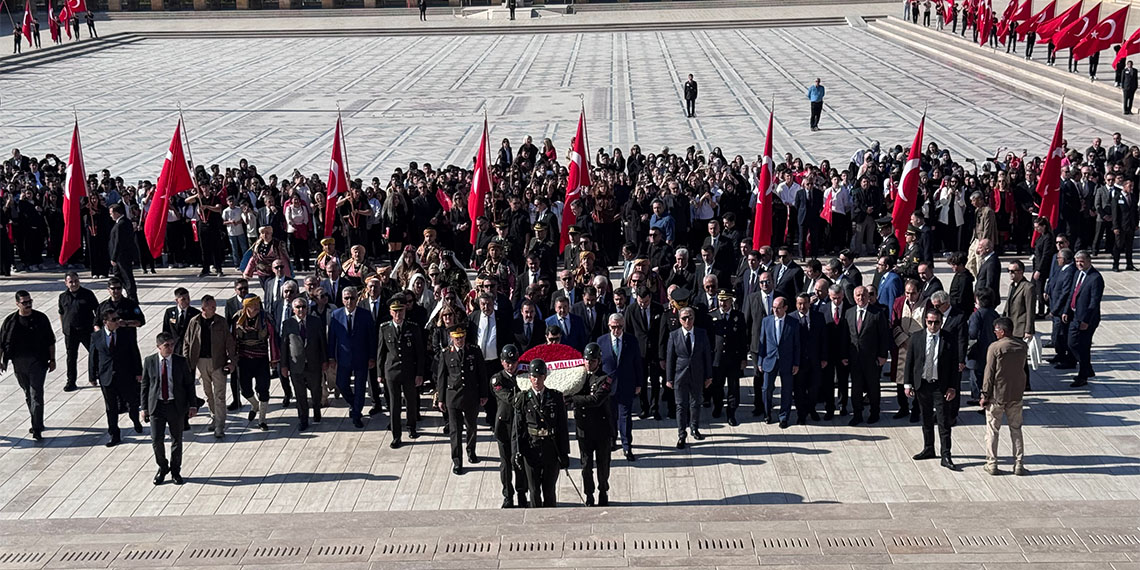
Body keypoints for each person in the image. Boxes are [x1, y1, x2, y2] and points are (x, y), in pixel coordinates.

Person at [905, 308, 961, 471]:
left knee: (943, 421)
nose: (933, 325)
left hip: (940, 386)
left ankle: (946, 454)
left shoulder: (949, 339)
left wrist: (952, 387)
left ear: (941, 322)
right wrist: (908, 384)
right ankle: (929, 448)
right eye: (930, 322)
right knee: (926, 419)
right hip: (922, 385)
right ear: (925, 322)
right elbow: (910, 362)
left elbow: (954, 365)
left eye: (936, 322)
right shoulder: (917, 338)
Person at [511, 358, 569, 508]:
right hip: (531, 448)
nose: (536, 380)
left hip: (550, 447)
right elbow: (518, 429)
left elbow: (562, 427)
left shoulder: (555, 397)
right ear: (529, 377)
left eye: (540, 376)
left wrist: (564, 453)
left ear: (545, 377)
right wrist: (516, 452)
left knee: (549, 490)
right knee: (534, 490)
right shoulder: (523, 399)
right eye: (533, 376)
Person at [0, 291, 57, 441]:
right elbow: (2, 342)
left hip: (37, 362)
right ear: (17, 304)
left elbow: (50, 340)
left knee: (35, 393)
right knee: (28, 393)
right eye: (24, 302)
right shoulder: (11, 321)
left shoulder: (40, 318)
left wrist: (52, 359)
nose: (28, 305)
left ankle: (37, 427)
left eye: (29, 301)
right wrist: (1, 361)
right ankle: (36, 419)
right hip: (19, 363)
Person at [141, 332, 196, 486]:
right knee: (156, 440)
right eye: (166, 346)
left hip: (175, 406)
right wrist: (144, 408)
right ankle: (163, 466)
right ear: (158, 346)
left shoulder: (180, 361)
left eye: (172, 345)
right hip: (157, 406)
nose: (170, 348)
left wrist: (192, 405)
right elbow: (145, 385)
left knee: (176, 440)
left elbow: (188, 384)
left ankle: (175, 470)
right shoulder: (150, 361)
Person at [436, 324, 487, 474]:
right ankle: (457, 460)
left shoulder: (475, 351)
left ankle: (471, 451)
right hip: (453, 397)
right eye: (457, 338)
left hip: (471, 396)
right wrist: (441, 398)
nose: (460, 341)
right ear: (451, 338)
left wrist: (483, 394)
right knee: (455, 430)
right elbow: (441, 378)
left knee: (471, 427)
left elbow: (481, 374)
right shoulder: (446, 354)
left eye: (462, 337)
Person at [183, 295, 236, 438]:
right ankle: (214, 417)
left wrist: (232, 361)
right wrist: (187, 363)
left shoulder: (221, 322)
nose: (214, 309)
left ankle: (220, 425)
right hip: (200, 362)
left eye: (215, 306)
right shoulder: (194, 322)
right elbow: (187, 343)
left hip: (218, 362)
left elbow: (229, 342)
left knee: (220, 395)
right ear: (203, 308)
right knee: (208, 393)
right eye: (211, 307)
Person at [89, 308, 143, 446]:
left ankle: (135, 420)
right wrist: (92, 376)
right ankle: (114, 434)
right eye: (114, 319)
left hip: (125, 375)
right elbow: (93, 357)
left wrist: (138, 372)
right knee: (111, 407)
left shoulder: (126, 334)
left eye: (118, 318)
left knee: (132, 402)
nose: (118, 321)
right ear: (105, 322)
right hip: (107, 377)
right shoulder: (96, 336)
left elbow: (134, 353)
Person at [982, 317, 1029, 476]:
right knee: (1016, 429)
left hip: (997, 395)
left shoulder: (995, 347)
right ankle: (1019, 464)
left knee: (992, 430)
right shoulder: (1022, 346)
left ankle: (992, 463)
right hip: (1016, 394)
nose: (995, 333)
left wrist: (984, 394)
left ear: (1002, 331)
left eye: (996, 330)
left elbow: (989, 374)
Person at [377, 296, 426, 446]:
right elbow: (381, 352)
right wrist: (379, 374)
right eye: (395, 311)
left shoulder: (413, 327)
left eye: (401, 311)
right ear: (391, 312)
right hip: (391, 371)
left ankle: (411, 427)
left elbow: (420, 353)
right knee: (394, 404)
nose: (398, 314)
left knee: (411, 401)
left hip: (409, 371)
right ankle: (396, 435)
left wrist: (419, 373)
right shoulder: (385, 328)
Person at [571, 343, 614, 507]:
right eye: (587, 360)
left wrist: (572, 399)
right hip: (584, 430)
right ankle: (589, 494)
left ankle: (603, 490)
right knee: (586, 466)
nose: (589, 363)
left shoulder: (604, 379)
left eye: (593, 360)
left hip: (601, 430)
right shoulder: (578, 377)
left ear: (599, 361)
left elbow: (596, 400)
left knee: (603, 465)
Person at [328, 286, 376, 428]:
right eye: (346, 298)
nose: (349, 301)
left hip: (361, 357)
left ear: (357, 299)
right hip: (343, 358)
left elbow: (371, 338)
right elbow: (332, 338)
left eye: (352, 298)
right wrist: (331, 357)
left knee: (361, 388)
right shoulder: (335, 315)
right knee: (341, 384)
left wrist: (372, 357)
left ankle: (356, 414)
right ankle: (354, 402)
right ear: (342, 300)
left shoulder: (365, 315)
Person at [597, 312, 643, 461]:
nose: (616, 331)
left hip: (626, 384)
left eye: (619, 327)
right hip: (608, 387)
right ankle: (611, 440)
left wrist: (639, 383)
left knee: (625, 417)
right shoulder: (601, 341)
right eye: (614, 327)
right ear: (609, 326)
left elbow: (638, 363)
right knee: (610, 416)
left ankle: (627, 446)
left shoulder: (631, 341)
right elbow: (598, 365)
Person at [842, 285, 890, 426]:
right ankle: (857, 414)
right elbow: (846, 336)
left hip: (872, 359)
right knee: (856, 388)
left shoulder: (877, 313)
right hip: (855, 358)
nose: (861, 298)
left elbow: (883, 336)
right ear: (854, 297)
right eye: (858, 295)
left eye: (863, 295)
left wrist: (882, 355)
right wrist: (844, 355)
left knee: (873, 387)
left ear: (868, 297)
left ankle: (874, 413)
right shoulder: (849, 313)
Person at [665, 307, 712, 448]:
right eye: (684, 318)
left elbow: (707, 356)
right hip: (680, 375)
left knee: (696, 403)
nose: (687, 321)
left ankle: (694, 427)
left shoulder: (701, 334)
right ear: (679, 320)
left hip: (697, 374)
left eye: (690, 317)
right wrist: (669, 378)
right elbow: (670, 358)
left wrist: (709, 376)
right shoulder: (674, 335)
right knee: (680, 405)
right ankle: (681, 434)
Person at [279, 297, 327, 432]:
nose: (301, 310)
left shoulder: (315, 322)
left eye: (303, 307)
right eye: (298, 307)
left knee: (316, 391)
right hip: (296, 365)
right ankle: (303, 419)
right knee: (300, 395)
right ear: (293, 309)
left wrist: (325, 361)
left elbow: (322, 342)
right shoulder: (288, 324)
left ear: (307, 308)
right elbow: (284, 346)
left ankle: (316, 410)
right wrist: (283, 365)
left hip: (314, 364)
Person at [232, 296, 278, 430]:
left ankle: (262, 419)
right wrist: (232, 358)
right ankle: (254, 405)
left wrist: (274, 359)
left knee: (263, 389)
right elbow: (232, 339)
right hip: (244, 359)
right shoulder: (237, 318)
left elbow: (273, 338)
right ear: (246, 306)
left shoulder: (266, 318)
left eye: (258, 303)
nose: (256, 306)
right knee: (245, 390)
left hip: (261, 358)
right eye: (253, 304)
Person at [490, 345, 527, 508]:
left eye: (513, 362)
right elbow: (507, 397)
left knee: (519, 461)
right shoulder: (497, 379)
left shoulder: (523, 377)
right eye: (507, 362)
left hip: (520, 425)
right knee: (506, 463)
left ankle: (521, 493)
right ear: (502, 362)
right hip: (505, 425)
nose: (510, 365)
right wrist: (523, 396)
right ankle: (508, 495)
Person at [755, 296, 800, 427]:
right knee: (766, 388)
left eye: (778, 308)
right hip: (769, 360)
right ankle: (767, 413)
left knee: (786, 390)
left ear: (785, 308)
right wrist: (760, 361)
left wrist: (796, 363)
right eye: (773, 308)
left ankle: (784, 417)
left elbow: (797, 345)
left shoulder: (793, 322)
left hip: (787, 361)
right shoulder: (766, 321)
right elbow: (762, 342)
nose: (775, 310)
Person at [1064, 251, 1104, 387]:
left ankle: (1083, 375)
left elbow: (1094, 302)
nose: (1079, 264)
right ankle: (1087, 368)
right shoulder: (1077, 273)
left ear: (1089, 261)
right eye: (1076, 261)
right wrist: (1066, 311)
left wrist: (1086, 321)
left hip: (1087, 319)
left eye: (1081, 261)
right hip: (1075, 316)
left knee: (1083, 346)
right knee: (1072, 343)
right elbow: (1072, 293)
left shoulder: (1095, 278)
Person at [708, 290, 746, 425]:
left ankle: (731, 412)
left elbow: (742, 339)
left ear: (731, 301)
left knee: (733, 387)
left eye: (725, 300)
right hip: (717, 359)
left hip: (733, 359)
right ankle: (718, 407)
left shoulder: (738, 316)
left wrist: (743, 358)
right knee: (717, 386)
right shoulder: (711, 316)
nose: (722, 303)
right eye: (720, 300)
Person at [58, 272, 99, 392]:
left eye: (76, 281)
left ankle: (97, 375)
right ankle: (71, 381)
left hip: (86, 330)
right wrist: (63, 327)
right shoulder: (62, 297)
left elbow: (98, 311)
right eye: (71, 282)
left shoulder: (88, 294)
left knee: (95, 355)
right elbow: (61, 312)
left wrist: (97, 327)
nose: (74, 284)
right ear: (66, 283)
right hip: (70, 333)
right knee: (71, 358)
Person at [108, 204, 138, 299]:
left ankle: (132, 296)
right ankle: (122, 292)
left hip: (122, 256)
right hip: (120, 256)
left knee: (127, 276)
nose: (110, 215)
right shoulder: (123, 222)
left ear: (116, 213)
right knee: (118, 276)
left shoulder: (121, 224)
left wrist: (114, 257)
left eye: (111, 213)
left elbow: (118, 242)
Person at [162, 287, 200, 357]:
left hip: (189, 348)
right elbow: (166, 330)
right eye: (183, 299)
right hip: (174, 348)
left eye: (188, 298)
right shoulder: (169, 312)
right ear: (177, 300)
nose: (187, 301)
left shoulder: (195, 313)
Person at [1111, 179, 1138, 271]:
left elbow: (1135, 212)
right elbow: (1115, 214)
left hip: (1130, 226)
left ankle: (1129, 264)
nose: (1131, 188)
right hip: (1121, 226)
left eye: (1132, 186)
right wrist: (1115, 227)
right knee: (1118, 246)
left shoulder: (1133, 197)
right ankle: (1115, 265)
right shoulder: (1117, 198)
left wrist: (1136, 223)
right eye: (1129, 186)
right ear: (1124, 186)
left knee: (1129, 246)